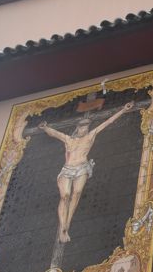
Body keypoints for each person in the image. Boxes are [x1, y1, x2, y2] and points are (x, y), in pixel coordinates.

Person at [38, 101, 134, 242]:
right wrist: (45, 128)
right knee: (65, 196)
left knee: (76, 194)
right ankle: (62, 225)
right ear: (78, 128)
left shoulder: (90, 136)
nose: (85, 129)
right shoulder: (69, 139)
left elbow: (107, 123)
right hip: (67, 169)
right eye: (83, 126)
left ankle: (66, 227)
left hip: (82, 168)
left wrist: (123, 109)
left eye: (87, 126)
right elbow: (55, 133)